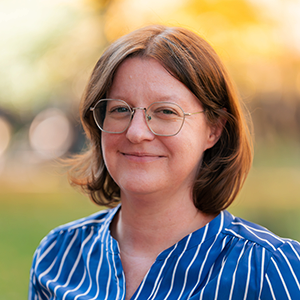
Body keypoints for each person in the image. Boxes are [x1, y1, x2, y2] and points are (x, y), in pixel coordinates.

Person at [29, 25, 300, 300]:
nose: (136, 132)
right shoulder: (57, 258)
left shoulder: (271, 270)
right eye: (120, 109)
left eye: (166, 111)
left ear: (214, 129)